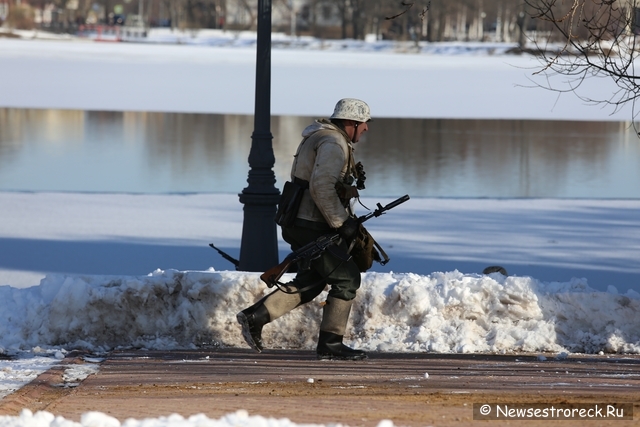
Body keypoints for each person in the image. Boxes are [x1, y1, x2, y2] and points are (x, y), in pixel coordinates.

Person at [237, 98, 371, 361]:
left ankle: (255, 317)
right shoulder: (333, 142)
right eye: (365, 123)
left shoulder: (320, 136)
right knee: (346, 279)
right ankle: (331, 344)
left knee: (314, 279)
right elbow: (321, 187)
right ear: (352, 123)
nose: (366, 129)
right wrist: (342, 223)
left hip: (301, 221)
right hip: (312, 224)